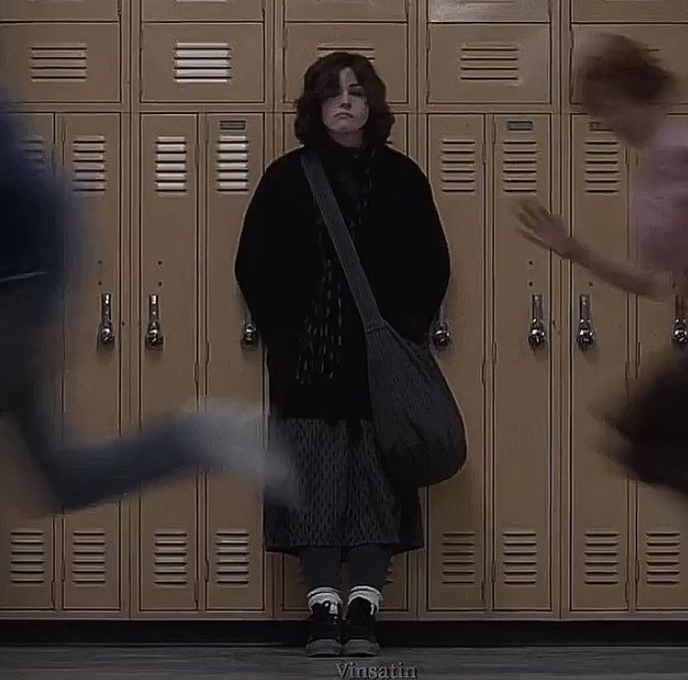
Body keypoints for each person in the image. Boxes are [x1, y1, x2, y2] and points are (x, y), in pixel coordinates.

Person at [235, 52, 450, 657]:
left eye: (357, 92)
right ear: (316, 107)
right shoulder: (286, 178)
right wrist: (288, 334)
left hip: (381, 372)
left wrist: (402, 333)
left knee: (379, 487)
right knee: (313, 486)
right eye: (333, 94)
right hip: (309, 369)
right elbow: (253, 263)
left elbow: (431, 265)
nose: (346, 103)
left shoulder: (403, 179)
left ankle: (364, 610)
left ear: (372, 104)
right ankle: (323, 609)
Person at [0, 86, 295, 518]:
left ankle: (193, 437)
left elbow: (47, 202)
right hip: (21, 305)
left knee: (62, 479)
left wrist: (40, 307)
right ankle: (192, 438)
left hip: (14, 311)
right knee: (61, 481)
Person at [515, 32, 688, 512]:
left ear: (637, 91)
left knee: (648, 430)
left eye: (610, 106)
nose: (608, 121)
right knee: (642, 436)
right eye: (599, 112)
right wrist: (577, 252)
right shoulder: (651, 178)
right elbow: (654, 283)